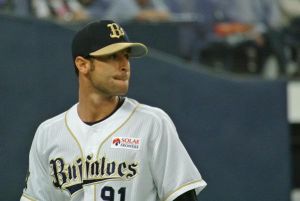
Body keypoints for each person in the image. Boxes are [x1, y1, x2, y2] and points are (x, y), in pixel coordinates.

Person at [20, 20, 207, 201]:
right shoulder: (48, 133)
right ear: (83, 64)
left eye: (126, 55)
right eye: (112, 56)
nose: (124, 65)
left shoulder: (152, 123)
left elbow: (182, 197)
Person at [104, 0, 171, 23]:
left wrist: (149, 15)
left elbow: (166, 14)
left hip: (128, 37)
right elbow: (140, 16)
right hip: (109, 36)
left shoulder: (152, 1)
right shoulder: (123, 2)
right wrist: (155, 15)